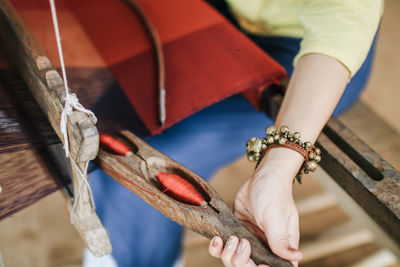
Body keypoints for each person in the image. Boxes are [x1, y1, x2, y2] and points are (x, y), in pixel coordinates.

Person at [84, 0, 382, 266]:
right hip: (214, 17)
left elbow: (345, 19)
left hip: (310, 55)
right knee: (98, 121)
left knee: (151, 158)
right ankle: (113, 249)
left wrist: (277, 169)